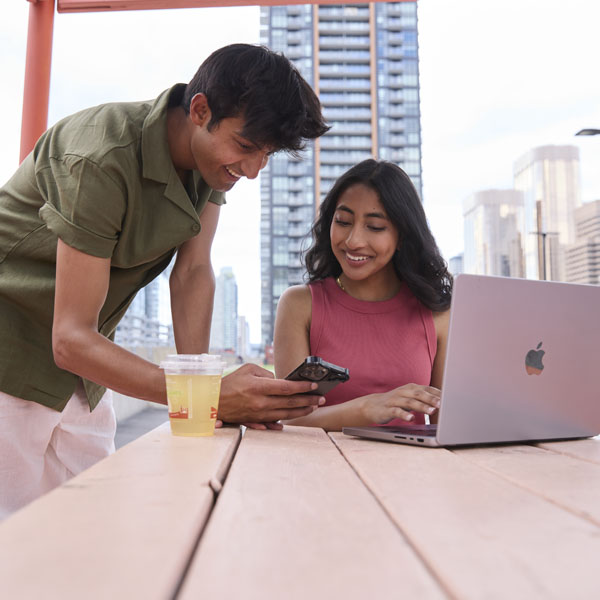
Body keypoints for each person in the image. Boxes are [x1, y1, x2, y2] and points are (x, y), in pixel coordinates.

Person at [0, 43, 329, 519]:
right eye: (245, 147)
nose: (254, 171)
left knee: (94, 538)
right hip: (11, 355)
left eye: (267, 155)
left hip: (82, 377)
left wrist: (204, 405)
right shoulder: (100, 156)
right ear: (200, 110)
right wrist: (208, 395)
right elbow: (70, 338)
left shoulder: (211, 170)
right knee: (16, 550)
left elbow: (193, 272)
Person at [273, 159, 452, 431]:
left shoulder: (436, 313)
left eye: (375, 227)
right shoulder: (300, 305)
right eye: (343, 221)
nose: (353, 240)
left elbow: (448, 427)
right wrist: (366, 408)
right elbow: (290, 420)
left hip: (412, 471)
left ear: (402, 235)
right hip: (320, 469)